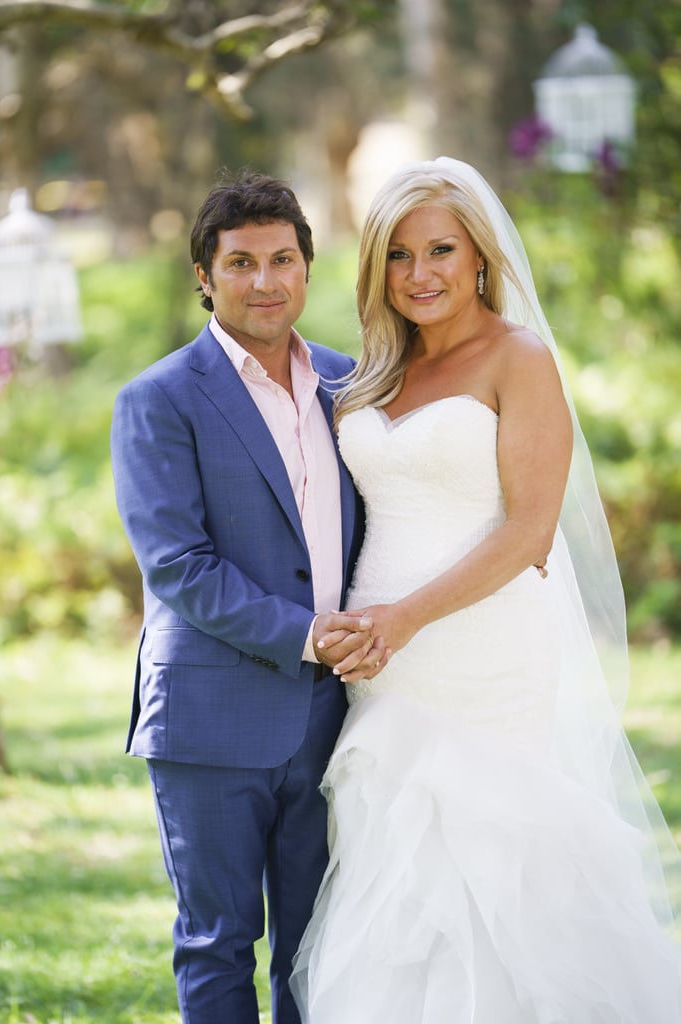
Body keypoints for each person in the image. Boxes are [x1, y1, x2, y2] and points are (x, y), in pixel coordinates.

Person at [290, 157, 681, 1023]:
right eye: (398, 255)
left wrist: (403, 617)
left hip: (480, 648)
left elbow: (528, 532)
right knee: (393, 864)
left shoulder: (518, 358)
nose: (418, 274)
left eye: (439, 250)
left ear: (478, 257)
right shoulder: (374, 371)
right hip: (382, 663)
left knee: (492, 853)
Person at [110, 169, 387, 1024]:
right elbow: (179, 565)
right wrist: (310, 635)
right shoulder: (158, 400)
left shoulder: (351, 383)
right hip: (210, 715)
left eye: (281, 260)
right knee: (218, 940)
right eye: (240, 263)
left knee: (317, 942)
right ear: (205, 275)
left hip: (334, 714)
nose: (264, 281)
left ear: (306, 267)